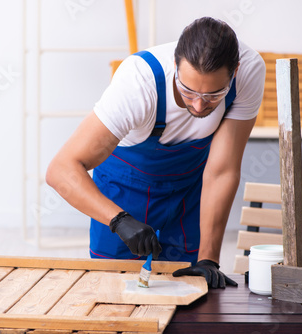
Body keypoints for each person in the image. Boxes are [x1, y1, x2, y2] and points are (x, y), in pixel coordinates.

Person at [46, 17, 265, 288]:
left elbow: (222, 171)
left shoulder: (250, 71)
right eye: (188, 90)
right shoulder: (138, 83)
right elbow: (61, 170)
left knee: (187, 295)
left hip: (186, 195)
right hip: (123, 192)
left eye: (213, 95)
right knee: (114, 293)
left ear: (235, 72)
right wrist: (119, 220)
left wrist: (209, 259)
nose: (198, 106)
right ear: (175, 66)